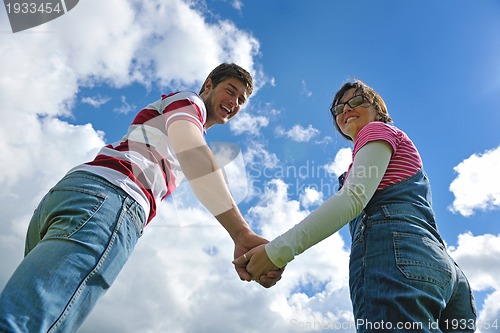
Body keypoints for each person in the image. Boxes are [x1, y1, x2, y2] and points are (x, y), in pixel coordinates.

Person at [0, 63, 282, 333]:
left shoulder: (173, 118)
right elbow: (193, 151)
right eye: (231, 91)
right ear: (208, 85)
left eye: (241, 100)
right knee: (26, 323)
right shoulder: (190, 103)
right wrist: (241, 233)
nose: (235, 103)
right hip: (111, 200)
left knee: (22, 312)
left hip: (75, 195)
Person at [234, 80, 477, 332]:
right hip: (445, 272)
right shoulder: (391, 150)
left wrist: (275, 253)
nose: (346, 110)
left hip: (400, 261)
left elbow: (353, 198)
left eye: (356, 101)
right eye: (338, 109)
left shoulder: (376, 130)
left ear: (378, 110)